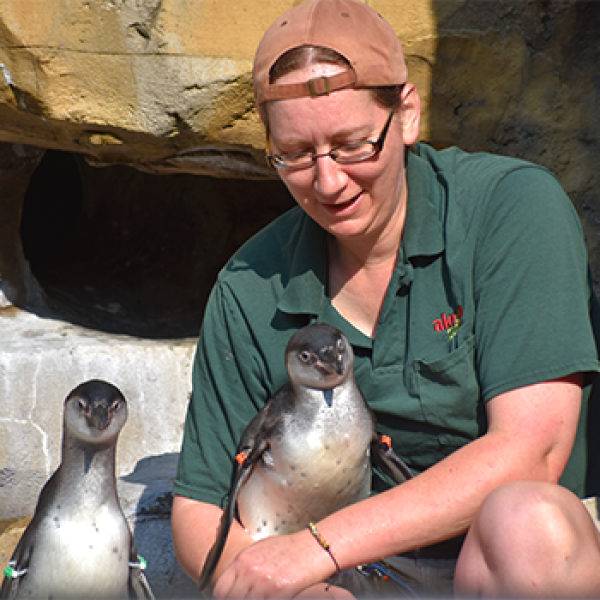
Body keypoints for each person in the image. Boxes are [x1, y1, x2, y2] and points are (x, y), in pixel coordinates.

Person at [171, 0, 600, 596]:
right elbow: (199, 511)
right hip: (343, 579)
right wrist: (305, 587)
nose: (327, 181)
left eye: (352, 145)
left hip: (509, 566)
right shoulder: (250, 286)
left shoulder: (512, 210)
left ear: (406, 115)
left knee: (530, 523)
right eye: (295, 155)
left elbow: (533, 452)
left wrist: (315, 549)